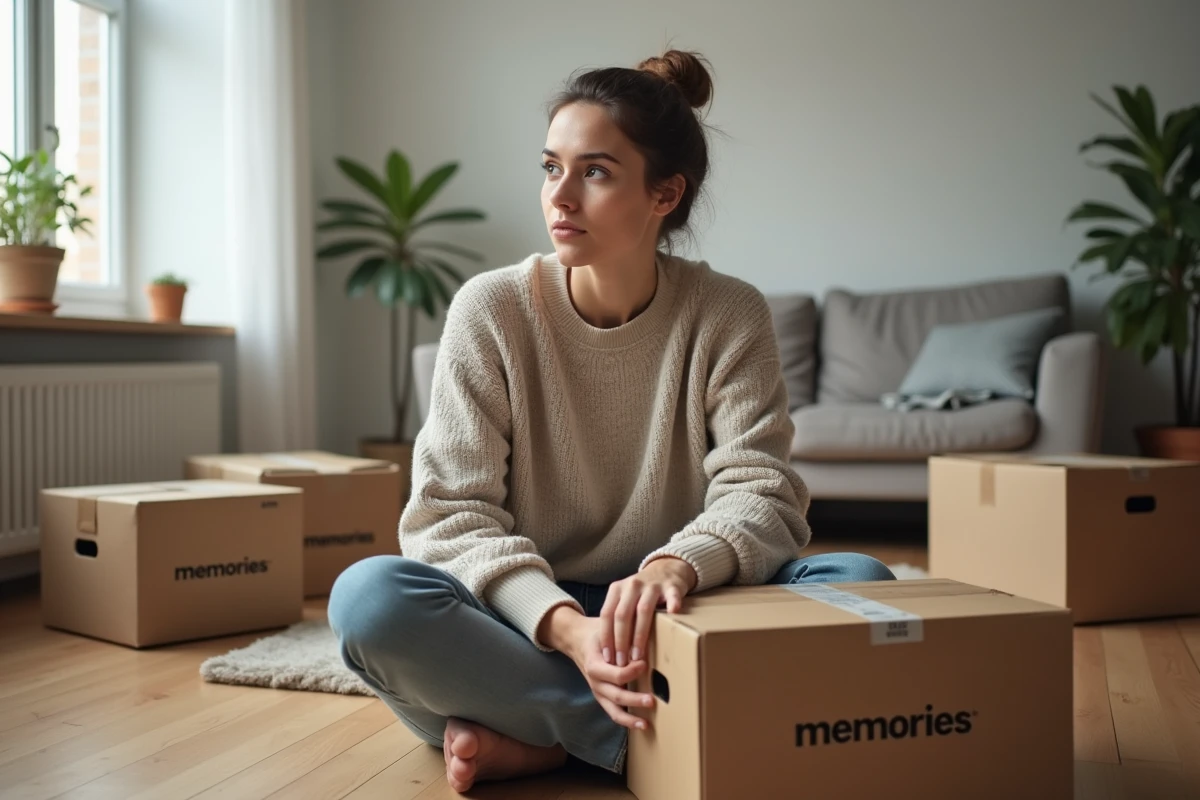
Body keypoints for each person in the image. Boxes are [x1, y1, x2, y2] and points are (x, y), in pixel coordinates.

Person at [328, 48, 895, 794]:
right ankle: (656, 739)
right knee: (370, 601)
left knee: (861, 583)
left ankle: (544, 736)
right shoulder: (491, 309)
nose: (560, 196)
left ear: (664, 194)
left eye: (594, 172)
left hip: (674, 611)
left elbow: (764, 492)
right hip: (526, 618)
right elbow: (447, 518)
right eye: (550, 167)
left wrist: (674, 565)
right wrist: (567, 627)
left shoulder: (729, 314)